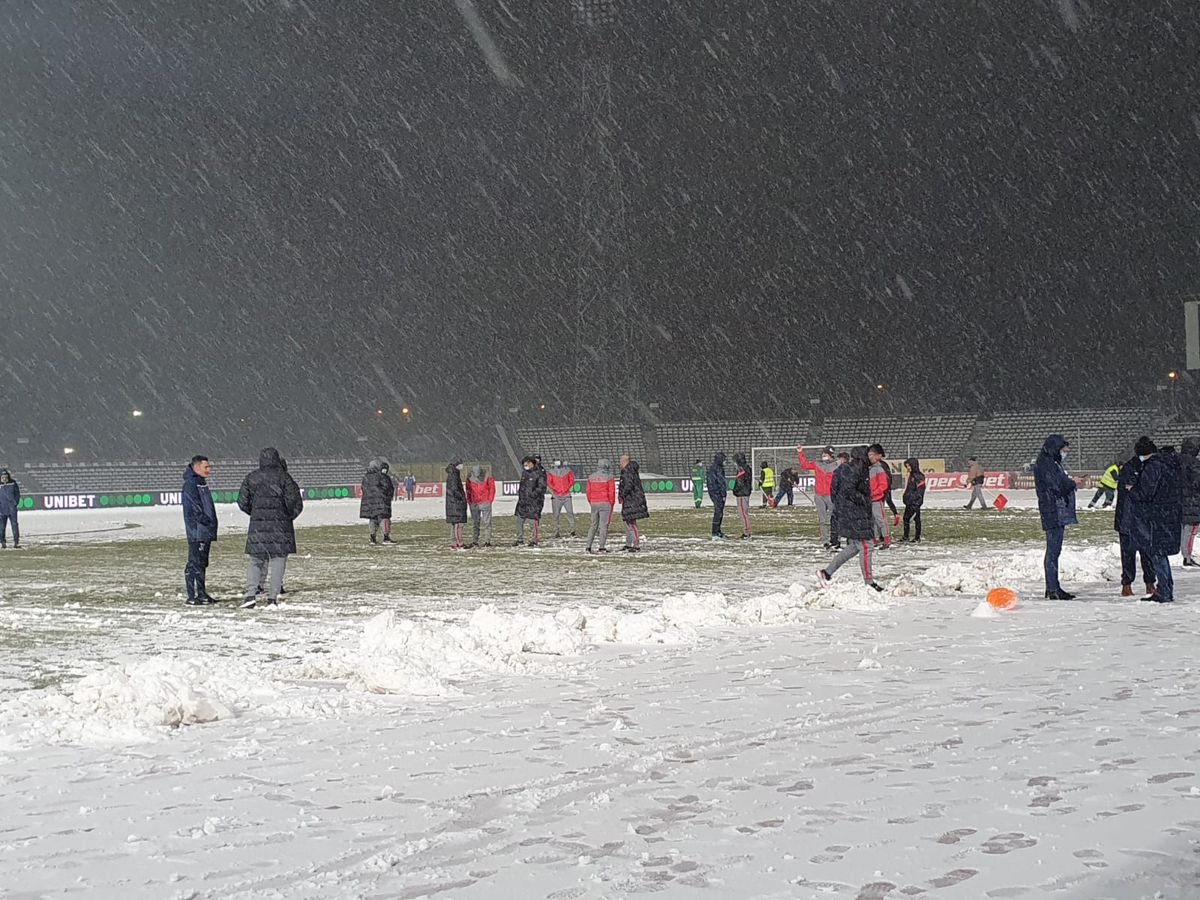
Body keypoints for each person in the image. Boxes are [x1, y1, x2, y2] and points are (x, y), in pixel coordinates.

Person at [238, 448, 303, 609]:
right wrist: (287, 516)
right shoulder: (284, 478)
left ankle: (250, 595)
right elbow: (295, 502)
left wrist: (256, 514)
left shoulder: (251, 478)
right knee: (278, 561)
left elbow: (242, 502)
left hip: (258, 526)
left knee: (255, 561)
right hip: (280, 527)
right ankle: (272, 598)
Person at [817, 446, 883, 592]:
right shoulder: (857, 468)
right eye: (878, 457)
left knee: (855, 547)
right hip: (854, 511)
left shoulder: (849, 468)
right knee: (867, 546)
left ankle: (826, 573)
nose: (879, 460)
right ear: (870, 455)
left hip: (849, 511)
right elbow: (849, 490)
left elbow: (836, 490)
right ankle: (869, 583)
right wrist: (864, 500)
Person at [1129, 437, 1183, 603]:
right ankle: (1166, 588)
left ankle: (1164, 590)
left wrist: (1132, 490)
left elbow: (1146, 492)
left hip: (1158, 515)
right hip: (1170, 512)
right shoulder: (1169, 465)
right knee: (1160, 552)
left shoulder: (1153, 467)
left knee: (1157, 552)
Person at [1033, 435, 1078, 600]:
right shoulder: (1047, 465)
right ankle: (1052, 588)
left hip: (1054, 509)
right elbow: (1057, 486)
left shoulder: (1050, 463)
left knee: (1055, 550)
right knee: (1053, 550)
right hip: (1053, 510)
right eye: (1063, 450)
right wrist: (1072, 483)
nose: (1064, 453)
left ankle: (1054, 587)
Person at [1114, 450, 1156, 598]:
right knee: (1139, 553)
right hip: (1133, 518)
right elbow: (1139, 494)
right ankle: (1135, 584)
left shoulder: (1135, 468)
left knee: (1135, 554)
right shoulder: (1137, 469)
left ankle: (1141, 584)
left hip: (1131, 518)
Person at [181, 455, 217, 604]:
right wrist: (206, 521)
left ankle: (201, 594)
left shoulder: (200, 483)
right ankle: (191, 596)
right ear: (196, 467)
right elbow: (194, 509)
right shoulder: (191, 484)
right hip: (197, 531)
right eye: (206, 467)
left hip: (204, 531)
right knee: (194, 563)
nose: (209, 470)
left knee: (201, 563)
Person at [798, 447, 838, 548]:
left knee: (835, 518)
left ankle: (835, 538)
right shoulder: (817, 464)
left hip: (831, 495)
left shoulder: (836, 465)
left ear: (831, 455)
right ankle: (825, 540)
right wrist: (800, 453)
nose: (824, 456)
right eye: (823, 454)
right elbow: (804, 465)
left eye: (826, 454)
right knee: (822, 519)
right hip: (819, 495)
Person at [359, 458, 395, 544]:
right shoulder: (382, 476)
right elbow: (388, 487)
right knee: (384, 518)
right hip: (381, 501)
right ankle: (386, 537)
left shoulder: (366, 477)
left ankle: (372, 538)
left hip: (369, 503)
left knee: (373, 518)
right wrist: (387, 496)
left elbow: (363, 489)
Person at [618, 453, 648, 551]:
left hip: (632, 499)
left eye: (620, 461)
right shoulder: (631, 470)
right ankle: (630, 543)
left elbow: (628, 485)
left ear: (625, 461)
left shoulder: (627, 471)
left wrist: (622, 494)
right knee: (629, 521)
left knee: (631, 522)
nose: (619, 463)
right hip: (633, 499)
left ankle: (636, 544)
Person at [585, 458, 616, 553]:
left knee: (593, 525)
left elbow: (588, 492)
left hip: (594, 503)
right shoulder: (609, 477)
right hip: (605, 503)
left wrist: (591, 501)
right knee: (603, 526)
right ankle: (601, 546)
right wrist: (611, 503)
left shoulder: (591, 477)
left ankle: (588, 546)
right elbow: (611, 492)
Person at [514, 455, 546, 547]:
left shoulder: (539, 473)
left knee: (533, 523)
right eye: (524, 464)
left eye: (527, 463)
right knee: (519, 521)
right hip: (523, 502)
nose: (526, 465)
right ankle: (520, 540)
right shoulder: (524, 473)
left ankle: (534, 540)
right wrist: (521, 494)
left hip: (534, 503)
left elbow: (541, 488)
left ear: (532, 463)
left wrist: (532, 495)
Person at [1178, 437, 1200, 567]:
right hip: (1193, 501)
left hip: (1179, 500)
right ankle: (1187, 557)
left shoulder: (1177, 461)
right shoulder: (1194, 463)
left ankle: (1185, 554)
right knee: (1191, 530)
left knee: (1184, 529)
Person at [867, 445, 892, 549]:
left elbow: (883, 485)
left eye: (871, 455)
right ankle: (875, 540)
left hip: (876, 499)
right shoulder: (869, 469)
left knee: (880, 520)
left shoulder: (879, 469)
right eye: (868, 455)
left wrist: (874, 493)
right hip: (870, 499)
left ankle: (886, 540)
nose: (869, 457)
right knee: (872, 521)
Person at [466, 465, 496, 548]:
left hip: (485, 502)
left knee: (487, 523)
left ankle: (487, 541)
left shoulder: (488, 476)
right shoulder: (469, 478)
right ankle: (475, 541)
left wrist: (489, 500)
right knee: (476, 523)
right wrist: (470, 501)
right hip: (474, 503)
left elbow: (492, 488)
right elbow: (468, 490)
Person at [546, 459, 577, 538]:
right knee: (556, 515)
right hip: (556, 496)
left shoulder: (568, 471)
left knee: (570, 512)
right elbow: (549, 482)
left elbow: (572, 480)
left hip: (566, 495)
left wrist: (566, 488)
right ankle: (556, 531)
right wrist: (555, 489)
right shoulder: (551, 472)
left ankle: (572, 530)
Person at [900, 457, 926, 543]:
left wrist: (915, 502)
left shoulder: (918, 476)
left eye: (909, 466)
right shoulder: (911, 475)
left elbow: (920, 491)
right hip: (910, 502)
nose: (907, 468)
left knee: (910, 519)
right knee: (912, 519)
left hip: (914, 503)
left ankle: (912, 537)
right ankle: (913, 537)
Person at [445, 459, 468, 549]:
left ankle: (454, 542)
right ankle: (459, 542)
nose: (462, 466)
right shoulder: (454, 475)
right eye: (461, 464)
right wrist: (462, 497)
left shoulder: (452, 474)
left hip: (452, 503)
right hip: (456, 503)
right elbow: (455, 489)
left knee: (454, 523)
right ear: (457, 465)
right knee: (459, 524)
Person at [707, 452, 728, 540]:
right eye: (724, 460)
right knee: (718, 512)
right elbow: (721, 482)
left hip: (713, 492)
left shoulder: (712, 468)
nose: (725, 462)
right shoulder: (718, 469)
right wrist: (723, 493)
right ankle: (715, 532)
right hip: (717, 493)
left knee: (718, 511)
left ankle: (717, 531)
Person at [732, 452, 753, 539]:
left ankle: (746, 532)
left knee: (743, 513)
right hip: (746, 492)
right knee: (745, 513)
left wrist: (735, 490)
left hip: (742, 493)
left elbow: (740, 483)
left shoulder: (741, 469)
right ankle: (746, 532)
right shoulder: (747, 468)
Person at [0, 468, 21, 550]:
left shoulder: (13, 483)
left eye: (5, 475)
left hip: (12, 509)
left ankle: (16, 542)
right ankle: (2, 542)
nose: (4, 477)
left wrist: (15, 503)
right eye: (2, 476)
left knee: (14, 525)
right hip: (2, 509)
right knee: (1, 527)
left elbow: (17, 493)